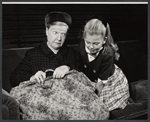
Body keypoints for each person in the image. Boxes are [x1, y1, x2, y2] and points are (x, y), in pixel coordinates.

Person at [9, 11, 80, 87]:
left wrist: (68, 68)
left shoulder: (73, 54)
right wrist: (32, 77)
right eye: (55, 32)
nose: (59, 38)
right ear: (47, 31)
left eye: (63, 34)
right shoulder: (32, 55)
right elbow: (13, 79)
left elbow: (85, 78)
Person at [78, 17, 130, 111]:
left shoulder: (108, 54)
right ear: (84, 38)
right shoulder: (82, 46)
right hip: (91, 79)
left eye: (96, 43)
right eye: (88, 42)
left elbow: (101, 83)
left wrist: (94, 98)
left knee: (100, 107)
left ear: (104, 40)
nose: (91, 47)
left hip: (107, 81)